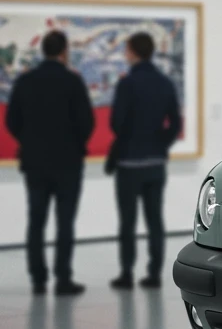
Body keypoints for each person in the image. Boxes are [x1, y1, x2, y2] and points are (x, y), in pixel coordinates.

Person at [3, 30, 94, 295]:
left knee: (36, 221)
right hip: (68, 163)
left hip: (35, 162)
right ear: (64, 52)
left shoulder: (25, 81)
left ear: (43, 51)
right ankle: (63, 278)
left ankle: (38, 278)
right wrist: (73, 144)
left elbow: (11, 121)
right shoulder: (72, 81)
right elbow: (86, 122)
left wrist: (28, 141)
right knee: (65, 223)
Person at [109, 32, 182, 288]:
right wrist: (161, 143)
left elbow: (116, 123)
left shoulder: (127, 84)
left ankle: (126, 273)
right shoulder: (165, 83)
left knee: (127, 222)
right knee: (155, 221)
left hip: (129, 162)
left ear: (133, 51)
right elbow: (176, 123)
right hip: (155, 163)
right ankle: (154, 273)